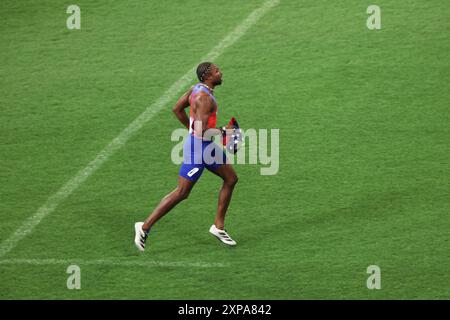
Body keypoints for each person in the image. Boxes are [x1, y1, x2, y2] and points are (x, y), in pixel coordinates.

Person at [134, 62, 239, 251]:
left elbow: (177, 109)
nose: (220, 72)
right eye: (216, 71)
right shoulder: (204, 98)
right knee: (182, 192)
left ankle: (218, 227)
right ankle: (144, 227)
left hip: (205, 145)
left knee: (231, 178)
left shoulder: (196, 89)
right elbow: (202, 131)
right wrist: (225, 131)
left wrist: (192, 130)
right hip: (198, 149)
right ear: (208, 75)